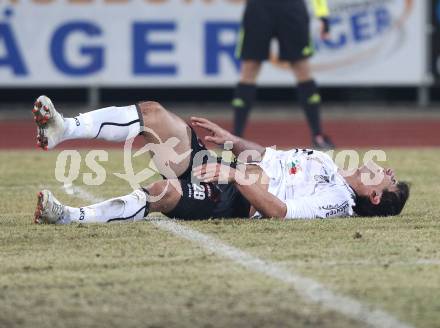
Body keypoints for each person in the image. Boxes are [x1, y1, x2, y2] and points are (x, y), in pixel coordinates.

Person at [32, 96, 409, 224]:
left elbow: (279, 211)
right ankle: (64, 128)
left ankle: (68, 216)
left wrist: (232, 174)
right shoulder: (328, 165)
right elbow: (266, 157)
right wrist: (234, 141)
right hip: (226, 169)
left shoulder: (339, 200)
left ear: (373, 197)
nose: (387, 170)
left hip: (234, 197)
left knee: (161, 191)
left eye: (389, 180)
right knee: (154, 113)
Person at [232, 0, 334, 149]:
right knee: (250, 68)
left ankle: (318, 135)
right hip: (259, 8)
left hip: (290, 8)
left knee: (302, 68)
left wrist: (323, 15)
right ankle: (235, 136)